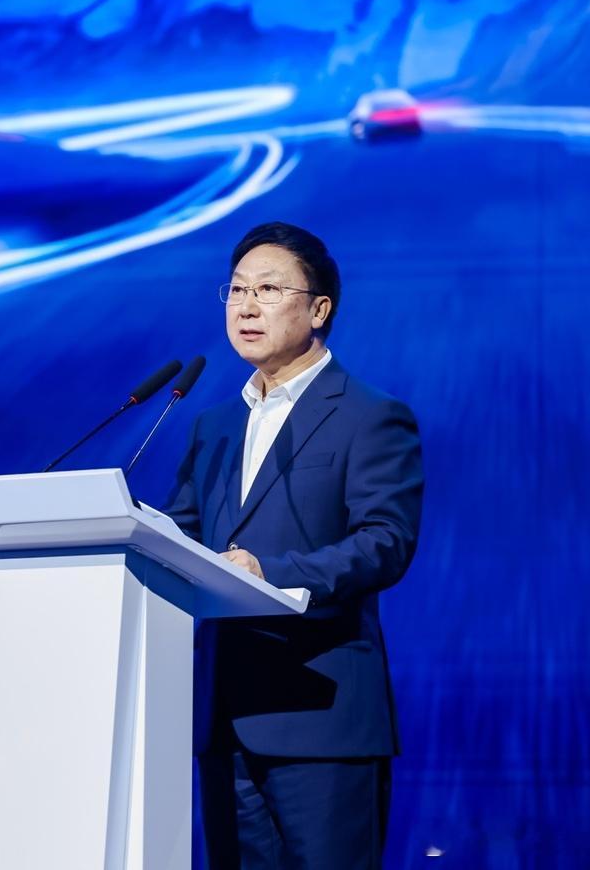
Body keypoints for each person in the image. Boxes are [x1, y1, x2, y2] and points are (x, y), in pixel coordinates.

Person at [165, 222, 424, 868]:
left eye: (268, 289)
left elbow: (384, 542)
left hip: (321, 715)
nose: (246, 306)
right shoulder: (213, 427)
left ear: (318, 310)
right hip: (223, 719)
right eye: (235, 290)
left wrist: (270, 574)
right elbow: (177, 539)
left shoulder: (369, 415)